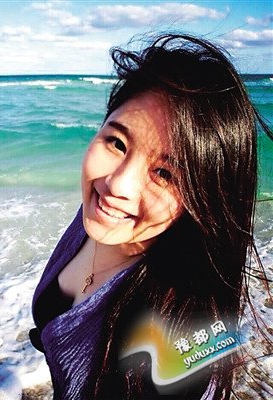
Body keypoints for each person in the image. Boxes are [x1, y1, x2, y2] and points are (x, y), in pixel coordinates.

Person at [29, 33, 272, 399]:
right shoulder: (98, 217)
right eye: (117, 143)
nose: (117, 184)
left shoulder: (174, 348)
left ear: (202, 198)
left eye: (165, 174)